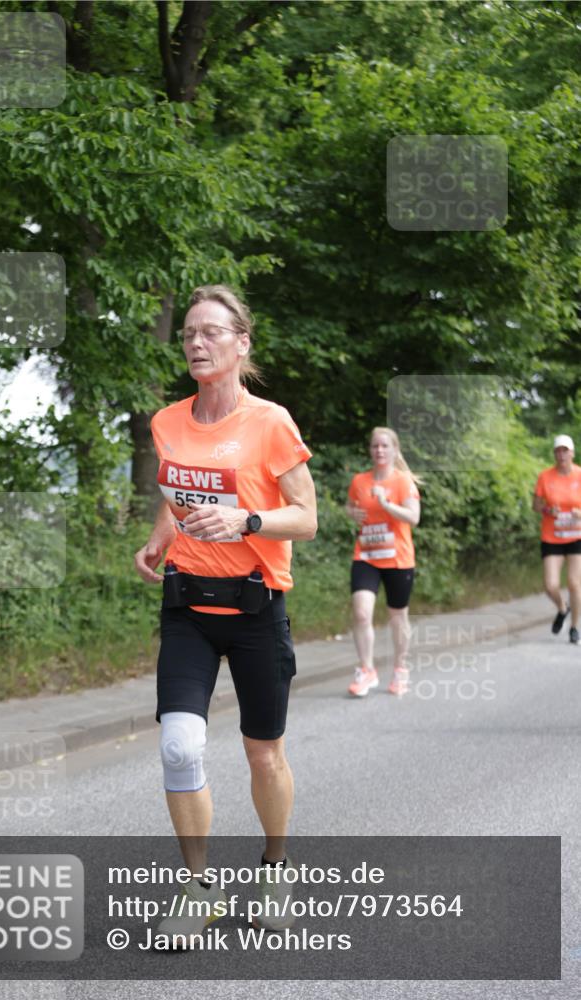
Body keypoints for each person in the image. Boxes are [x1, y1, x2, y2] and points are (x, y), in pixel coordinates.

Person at [134, 284, 317, 944]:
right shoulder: (167, 420)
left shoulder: (270, 423)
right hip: (186, 606)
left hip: (255, 608)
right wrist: (162, 532)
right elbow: (174, 484)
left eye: (210, 332)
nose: (196, 343)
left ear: (241, 343)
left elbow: (307, 517)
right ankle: (199, 888)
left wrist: (247, 519)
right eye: (187, 333)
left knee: (262, 755)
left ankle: (274, 868)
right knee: (179, 747)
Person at [345, 427, 421, 698]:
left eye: (385, 446)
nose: (379, 450)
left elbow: (414, 517)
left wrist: (386, 504)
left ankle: (400, 669)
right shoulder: (359, 480)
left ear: (394, 450)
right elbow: (350, 507)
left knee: (397, 616)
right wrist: (352, 513)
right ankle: (367, 670)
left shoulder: (403, 481)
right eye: (375, 446)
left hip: (398, 559)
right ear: (370, 449)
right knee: (362, 612)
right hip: (366, 556)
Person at [532, 434, 581, 644]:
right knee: (551, 585)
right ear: (554, 454)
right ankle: (563, 608)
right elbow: (535, 506)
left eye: (565, 450)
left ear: (572, 453)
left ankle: (574, 627)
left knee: (574, 583)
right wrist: (546, 509)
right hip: (552, 536)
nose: (561, 454)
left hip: (576, 535)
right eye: (558, 451)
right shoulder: (545, 477)